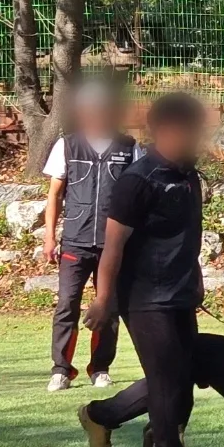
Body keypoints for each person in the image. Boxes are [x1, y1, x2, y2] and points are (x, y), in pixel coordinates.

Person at [80, 92, 207, 447]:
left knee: (180, 376)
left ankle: (103, 416)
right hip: (144, 297)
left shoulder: (188, 176)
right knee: (167, 378)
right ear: (161, 130)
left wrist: (196, 280)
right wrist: (104, 300)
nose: (193, 138)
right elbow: (112, 246)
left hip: (181, 291)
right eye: (186, 130)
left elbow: (187, 238)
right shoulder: (137, 181)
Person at [42, 79, 141, 392]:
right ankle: (61, 369)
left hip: (114, 244)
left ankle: (100, 368)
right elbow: (54, 195)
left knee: (108, 306)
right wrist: (49, 236)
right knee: (67, 304)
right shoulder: (67, 145)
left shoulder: (129, 147)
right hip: (75, 240)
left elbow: (139, 196)